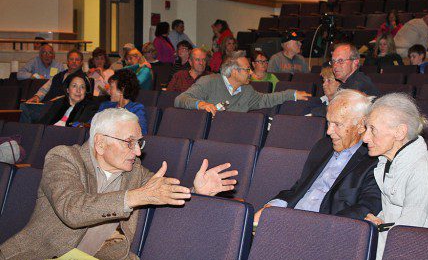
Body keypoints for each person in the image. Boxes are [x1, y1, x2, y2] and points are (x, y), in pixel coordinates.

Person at [0, 108, 238, 260]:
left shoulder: (134, 172)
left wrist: (196, 191)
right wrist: (134, 197)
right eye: (129, 142)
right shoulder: (65, 158)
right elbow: (72, 209)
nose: (137, 151)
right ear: (101, 143)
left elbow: (165, 191)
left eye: (139, 143)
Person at [362, 93, 428, 260]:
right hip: (403, 247)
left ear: (400, 132)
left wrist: (378, 228)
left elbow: (406, 237)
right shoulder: (388, 161)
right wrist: (377, 224)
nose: (365, 138)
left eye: (372, 129)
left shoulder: (423, 169)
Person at [254, 89, 381, 224]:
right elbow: (299, 188)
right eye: (328, 122)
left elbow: (366, 208)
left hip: (324, 230)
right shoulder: (323, 146)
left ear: (361, 126)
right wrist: (273, 206)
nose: (328, 131)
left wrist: (320, 225)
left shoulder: (374, 161)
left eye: (337, 124)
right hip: (290, 219)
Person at [174, 51, 311, 114]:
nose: (251, 73)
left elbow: (267, 99)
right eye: (247, 69)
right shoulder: (209, 82)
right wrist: (201, 104)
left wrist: (291, 94)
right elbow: (180, 99)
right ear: (234, 72)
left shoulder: (247, 91)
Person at [20, 49, 85, 124]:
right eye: (71, 59)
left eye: (77, 60)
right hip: (47, 105)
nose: (74, 61)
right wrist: (37, 96)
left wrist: (59, 99)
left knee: (27, 111)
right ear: (67, 61)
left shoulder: (83, 79)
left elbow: (79, 97)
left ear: (81, 63)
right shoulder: (58, 76)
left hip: (61, 109)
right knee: (23, 106)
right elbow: (44, 89)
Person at [98, 69, 148, 135]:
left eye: (111, 87)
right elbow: (91, 124)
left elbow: (141, 132)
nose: (108, 91)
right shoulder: (105, 105)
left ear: (122, 90)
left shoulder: (136, 109)